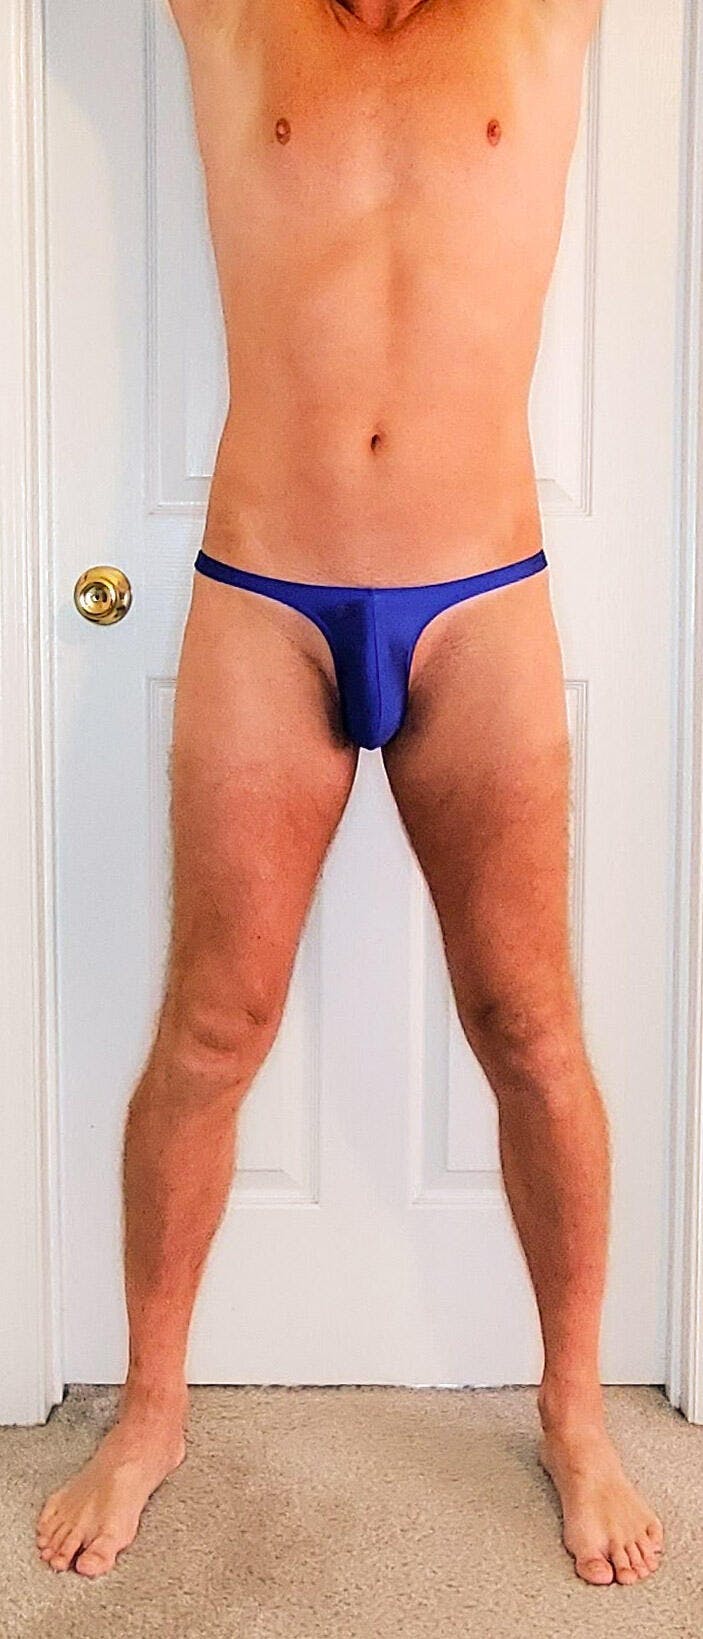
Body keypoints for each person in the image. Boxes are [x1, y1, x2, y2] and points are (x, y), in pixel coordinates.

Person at [36, 0, 664, 1585]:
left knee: (531, 1027)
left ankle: (576, 1413)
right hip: (264, 595)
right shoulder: (235, 15)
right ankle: (151, 1412)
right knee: (211, 1028)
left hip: (483, 599)